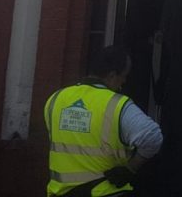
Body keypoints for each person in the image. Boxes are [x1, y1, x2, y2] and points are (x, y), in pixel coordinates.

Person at [45, 45, 163, 196]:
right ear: (112, 75)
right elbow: (153, 137)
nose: (124, 82)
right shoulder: (117, 105)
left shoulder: (55, 100)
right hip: (104, 191)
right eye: (124, 76)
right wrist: (130, 168)